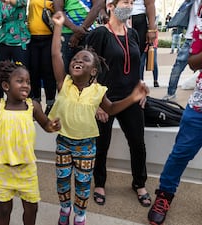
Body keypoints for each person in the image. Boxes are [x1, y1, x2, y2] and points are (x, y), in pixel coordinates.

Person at [50, 11, 149, 225]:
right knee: (62, 182)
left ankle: (80, 215)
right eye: (76, 58)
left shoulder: (97, 91)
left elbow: (112, 109)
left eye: (84, 60)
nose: (78, 61)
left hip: (86, 146)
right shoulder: (63, 84)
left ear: (93, 70)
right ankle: (65, 209)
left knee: (84, 184)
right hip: (64, 144)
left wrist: (132, 97)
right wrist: (58, 26)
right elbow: (56, 54)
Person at [0, 52, 61, 225]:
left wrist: (52, 126)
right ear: (5, 85)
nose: (26, 85)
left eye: (28, 82)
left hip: (27, 170)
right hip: (3, 170)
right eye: (20, 81)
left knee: (32, 208)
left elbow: (46, 125)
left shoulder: (33, 107)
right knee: (4, 209)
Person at [86, 0, 151, 208]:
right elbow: (89, 69)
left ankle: (139, 183)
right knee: (102, 145)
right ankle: (100, 184)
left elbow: (135, 65)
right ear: (111, 6)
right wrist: (95, 104)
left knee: (138, 143)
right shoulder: (100, 34)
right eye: (125, 1)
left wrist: (140, 88)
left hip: (130, 98)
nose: (130, 5)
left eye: (132, 2)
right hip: (105, 99)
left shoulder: (133, 34)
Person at [147, 4, 202, 223]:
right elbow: (192, 62)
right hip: (199, 107)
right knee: (180, 153)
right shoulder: (200, 23)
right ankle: (164, 195)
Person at [0, 0, 30, 98]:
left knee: (22, 72)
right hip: (4, 39)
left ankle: (24, 102)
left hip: (20, 40)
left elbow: (19, 3)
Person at [54, 0, 105, 73]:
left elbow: (98, 5)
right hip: (67, 34)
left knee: (90, 70)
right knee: (65, 71)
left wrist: (79, 32)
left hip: (89, 32)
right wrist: (75, 29)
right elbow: (58, 10)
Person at [163, 0, 200, 101]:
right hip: (190, 37)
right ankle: (171, 93)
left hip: (195, 37)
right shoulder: (190, 1)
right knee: (178, 66)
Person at [27, 0, 56, 114]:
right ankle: (36, 103)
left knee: (48, 72)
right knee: (34, 72)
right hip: (33, 38)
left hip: (48, 38)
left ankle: (50, 103)